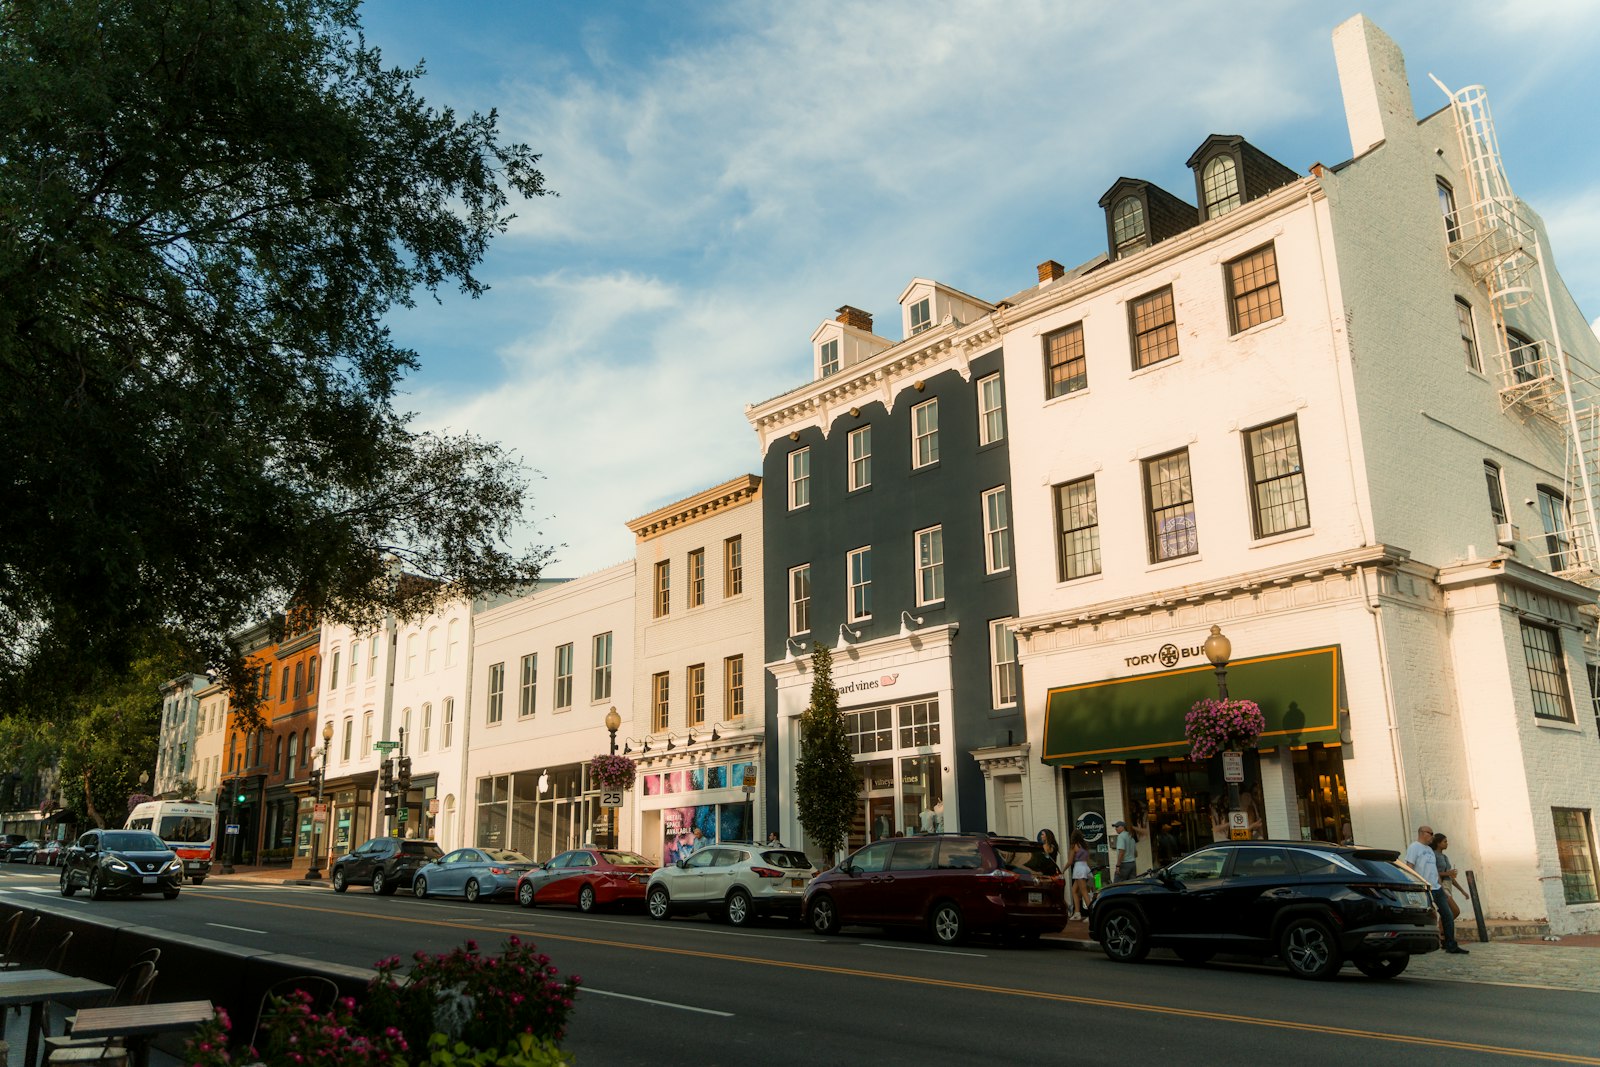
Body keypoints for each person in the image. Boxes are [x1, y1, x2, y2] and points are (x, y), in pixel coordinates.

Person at [1404, 825, 1466, 954]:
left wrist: (1440, 886)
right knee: (1423, 916)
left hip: (1436, 888)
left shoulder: (1430, 850)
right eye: (1430, 833)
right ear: (1422, 833)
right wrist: (1414, 885)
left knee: (1448, 914)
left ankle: (1450, 944)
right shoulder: (1414, 847)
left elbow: (1434, 870)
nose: (1432, 836)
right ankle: (1416, 944)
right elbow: (1409, 867)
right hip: (1423, 888)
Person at [1432, 831, 1465, 926]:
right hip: (1441, 886)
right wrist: (1447, 873)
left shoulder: (1445, 857)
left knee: (1447, 913)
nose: (1447, 843)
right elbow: (1433, 873)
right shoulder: (1433, 855)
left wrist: (1462, 891)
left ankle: (1442, 934)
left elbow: (1450, 876)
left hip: (1448, 885)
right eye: (1444, 841)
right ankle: (1440, 931)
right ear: (1438, 843)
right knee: (1454, 911)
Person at [1068, 831, 1092, 919]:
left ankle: (1091, 914)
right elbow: (1088, 859)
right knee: (1074, 890)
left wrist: (1063, 870)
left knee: (1084, 892)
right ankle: (1077, 912)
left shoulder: (1074, 846)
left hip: (1078, 869)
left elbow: (1070, 861)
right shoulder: (1085, 846)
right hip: (1085, 868)